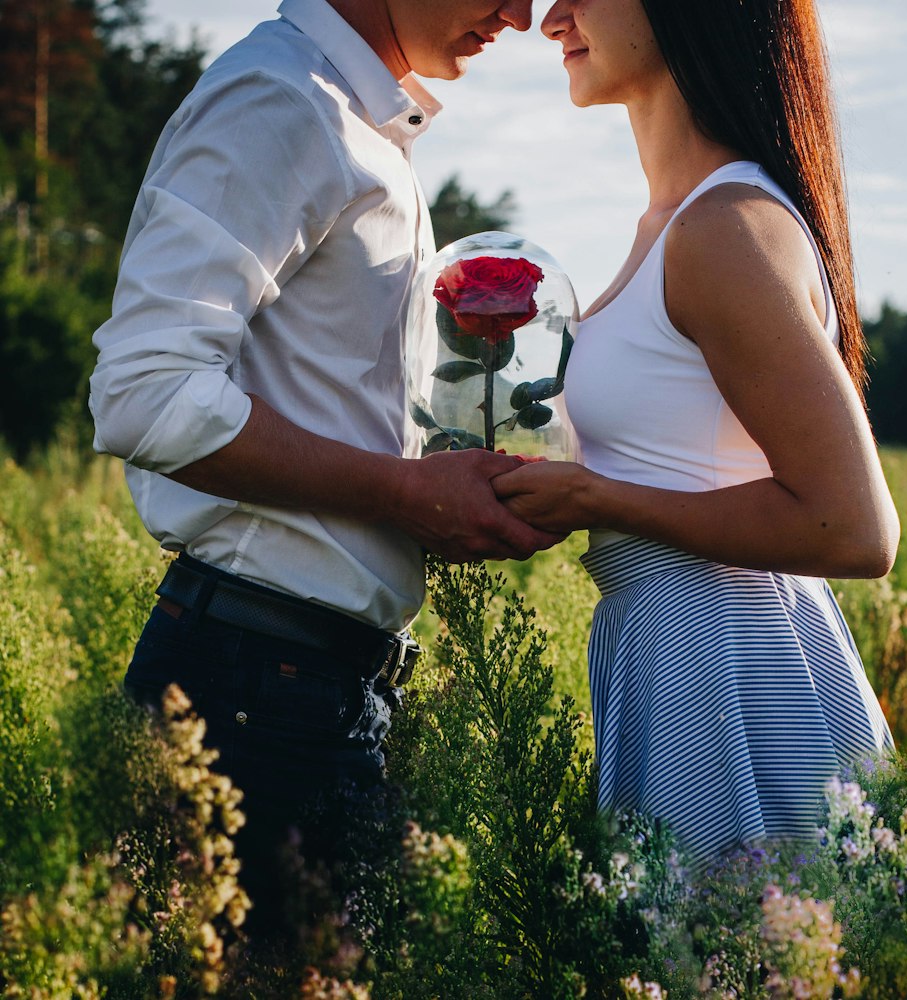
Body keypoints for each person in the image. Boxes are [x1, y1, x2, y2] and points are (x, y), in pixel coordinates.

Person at [88, 0, 557, 933]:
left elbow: (333, 403)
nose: (523, 13)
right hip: (253, 686)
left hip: (304, 683)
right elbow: (145, 388)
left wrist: (447, 472)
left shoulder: (363, 125)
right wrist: (402, 493)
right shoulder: (282, 100)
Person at [493, 0, 900, 868]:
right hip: (675, 646)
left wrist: (597, 500)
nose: (550, 17)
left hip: (730, 659)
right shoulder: (672, 226)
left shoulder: (723, 229)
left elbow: (855, 527)